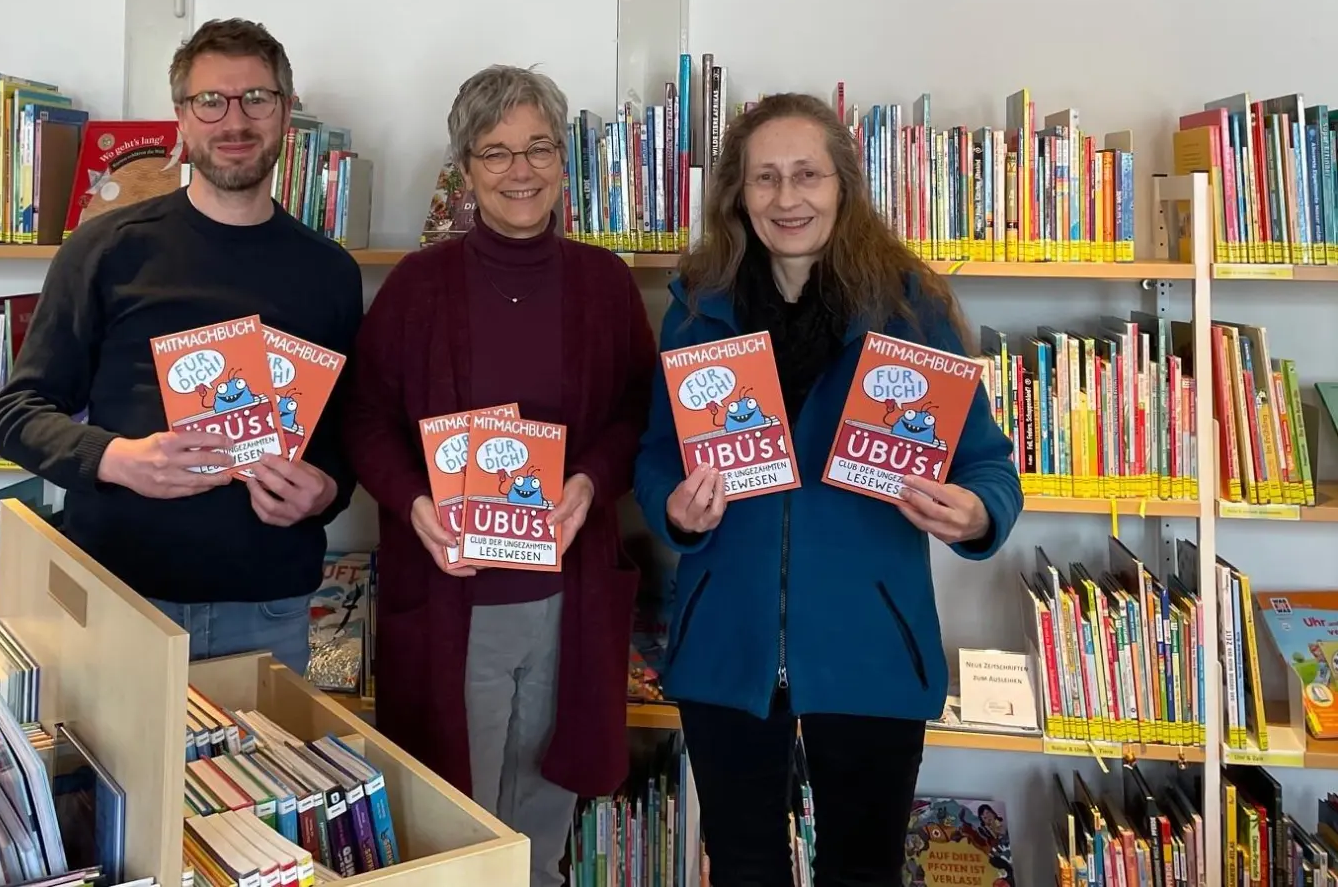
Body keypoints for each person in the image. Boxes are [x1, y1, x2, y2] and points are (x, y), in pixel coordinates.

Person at [633, 92, 1024, 887]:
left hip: (870, 643)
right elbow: (656, 456)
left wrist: (977, 511)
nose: (786, 198)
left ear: (842, 184)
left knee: (863, 869)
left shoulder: (909, 308)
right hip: (726, 643)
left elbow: (985, 461)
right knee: (742, 866)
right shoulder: (696, 308)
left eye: (806, 175)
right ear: (736, 194)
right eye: (765, 178)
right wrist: (672, 508)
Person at [342, 64, 655, 887]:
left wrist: (587, 482)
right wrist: (412, 506)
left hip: (567, 595)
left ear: (562, 161)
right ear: (465, 168)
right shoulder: (417, 288)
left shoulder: (605, 284)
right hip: (454, 596)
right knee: (452, 826)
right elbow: (364, 421)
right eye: (496, 152)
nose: (520, 171)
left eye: (539, 148)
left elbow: (635, 414)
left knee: (543, 823)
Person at [0, 18, 362, 674]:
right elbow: (19, 414)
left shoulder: (329, 270)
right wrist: (117, 458)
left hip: (269, 607)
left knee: (261, 782)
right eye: (211, 101)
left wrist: (325, 489)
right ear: (182, 120)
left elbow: (342, 438)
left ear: (284, 114)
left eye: (257, 98)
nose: (235, 120)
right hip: (119, 598)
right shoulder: (105, 249)